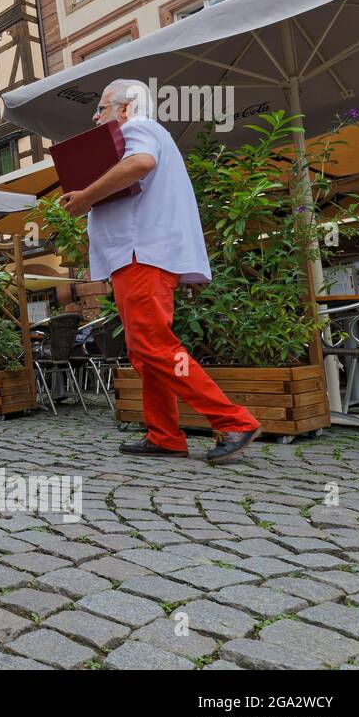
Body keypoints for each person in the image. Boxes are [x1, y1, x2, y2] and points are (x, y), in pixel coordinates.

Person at [59, 79, 261, 464]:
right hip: (142, 254)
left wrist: (85, 197)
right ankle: (164, 434)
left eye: (101, 108)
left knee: (152, 346)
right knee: (145, 349)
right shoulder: (146, 132)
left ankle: (233, 420)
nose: (95, 116)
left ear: (125, 107)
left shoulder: (137, 127)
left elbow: (140, 163)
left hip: (141, 253)